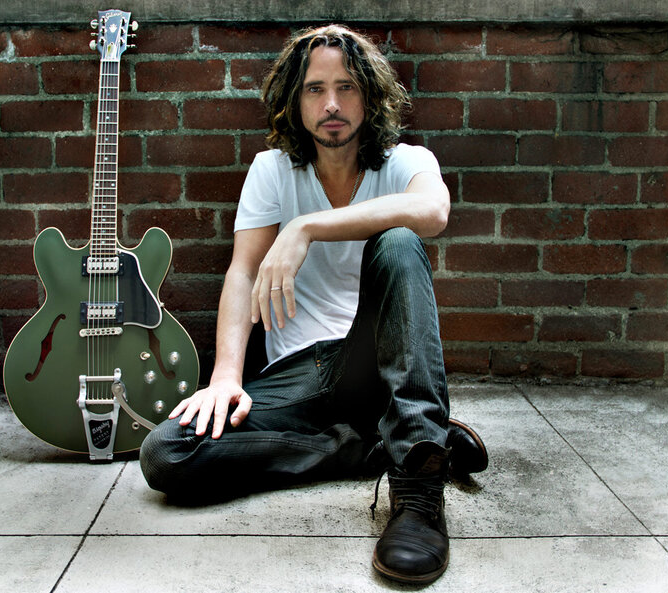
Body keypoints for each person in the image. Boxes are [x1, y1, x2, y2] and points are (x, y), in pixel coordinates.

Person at [140, 24, 487, 584]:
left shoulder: (404, 162)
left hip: (375, 358)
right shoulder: (273, 170)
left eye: (347, 87)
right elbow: (242, 271)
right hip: (303, 374)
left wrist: (306, 227)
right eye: (314, 89)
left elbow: (432, 212)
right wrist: (226, 376)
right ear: (293, 101)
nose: (331, 104)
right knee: (168, 453)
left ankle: (417, 484)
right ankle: (379, 445)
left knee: (399, 240)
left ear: (370, 97)